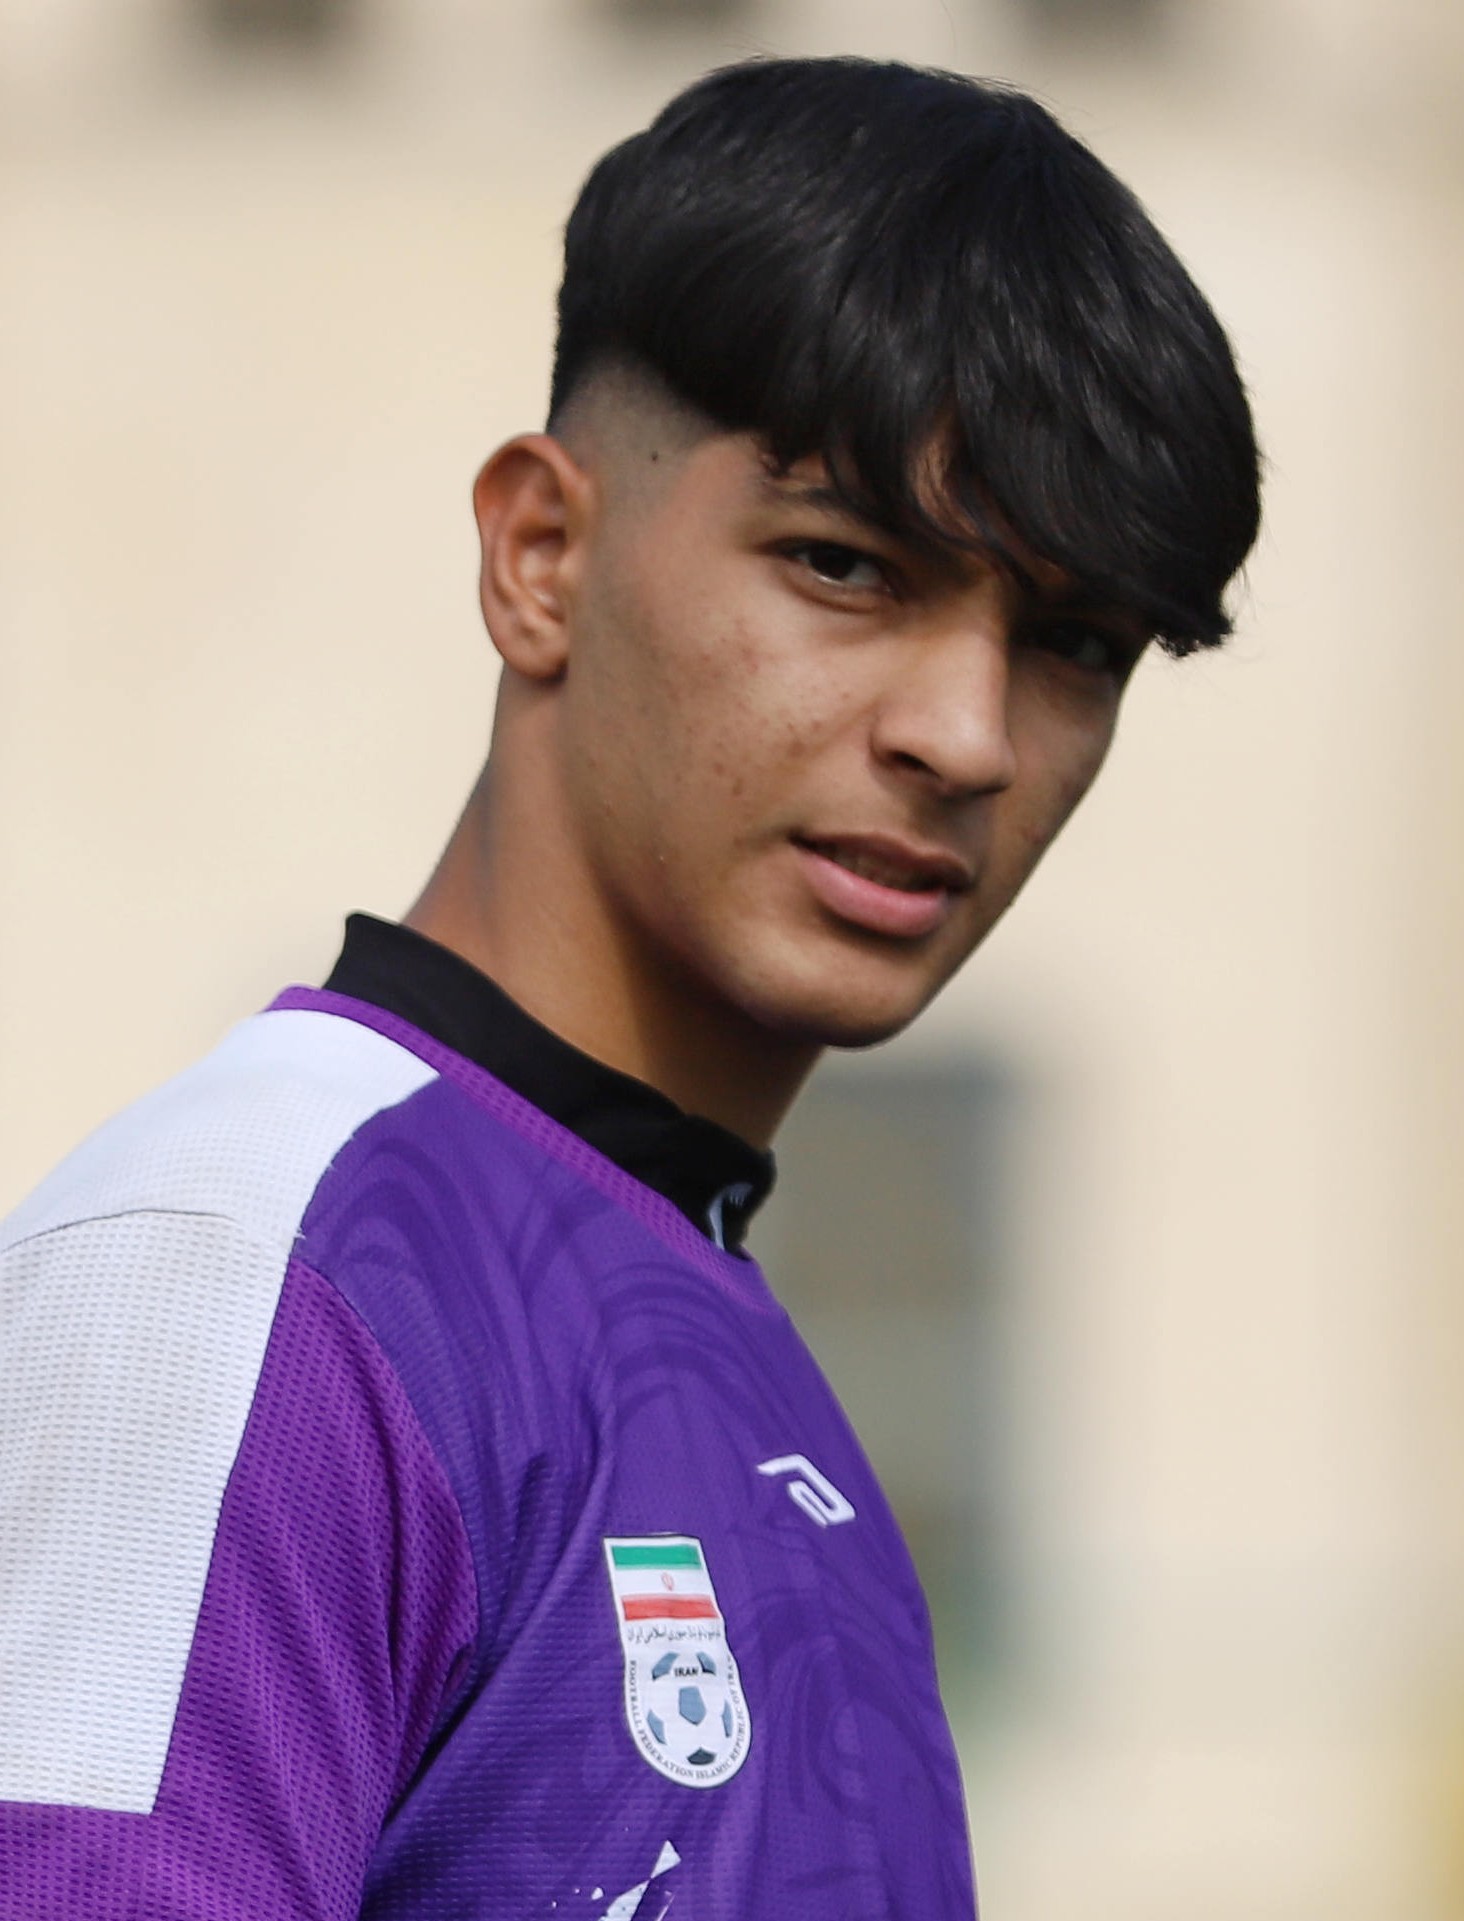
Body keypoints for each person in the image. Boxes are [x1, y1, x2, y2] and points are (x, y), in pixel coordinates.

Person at [0, 54, 1260, 1921]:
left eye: (1073, 643)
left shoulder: (741, 1368)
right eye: (845, 565)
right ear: (542, 555)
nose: (971, 733)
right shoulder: (247, 1266)